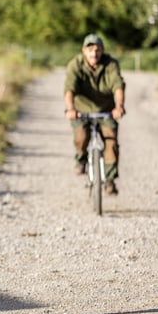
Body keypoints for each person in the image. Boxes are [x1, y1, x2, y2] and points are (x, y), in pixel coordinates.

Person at [63, 33, 126, 195]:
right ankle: (81, 158)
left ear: (102, 51)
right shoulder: (75, 65)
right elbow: (69, 88)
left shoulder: (110, 64)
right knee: (81, 136)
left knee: (111, 140)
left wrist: (119, 106)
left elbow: (118, 86)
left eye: (97, 50)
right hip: (81, 111)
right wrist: (70, 109)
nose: (94, 54)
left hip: (106, 110)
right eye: (90, 50)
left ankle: (110, 180)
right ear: (84, 51)